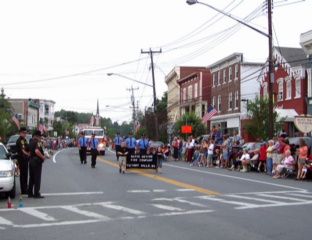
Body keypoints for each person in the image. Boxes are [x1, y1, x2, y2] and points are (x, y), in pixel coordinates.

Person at [28, 130, 46, 198]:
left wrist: (30, 155)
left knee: (31, 177)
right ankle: (36, 193)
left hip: (31, 160)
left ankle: (30, 192)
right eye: (40, 137)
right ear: (38, 137)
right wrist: (42, 157)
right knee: (37, 177)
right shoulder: (37, 143)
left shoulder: (31, 142)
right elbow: (37, 150)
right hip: (36, 161)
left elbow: (26, 151)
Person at [15, 127, 30, 195]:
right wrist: (28, 154)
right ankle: (24, 189)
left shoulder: (23, 139)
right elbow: (23, 150)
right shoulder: (21, 140)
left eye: (26, 133)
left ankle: (25, 188)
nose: (25, 134)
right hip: (22, 158)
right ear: (20, 133)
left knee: (25, 174)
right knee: (23, 174)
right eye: (24, 133)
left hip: (23, 158)